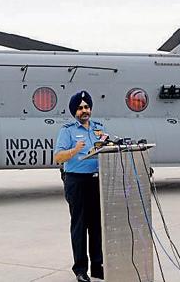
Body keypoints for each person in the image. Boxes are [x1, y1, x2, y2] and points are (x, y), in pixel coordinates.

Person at [55, 90, 106, 282]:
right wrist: (74, 150)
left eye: (86, 107)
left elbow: (104, 148)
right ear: (74, 111)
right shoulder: (67, 130)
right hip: (76, 181)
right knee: (79, 226)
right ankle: (80, 269)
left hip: (96, 180)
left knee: (96, 226)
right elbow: (58, 156)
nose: (84, 110)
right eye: (80, 108)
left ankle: (98, 266)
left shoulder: (98, 128)